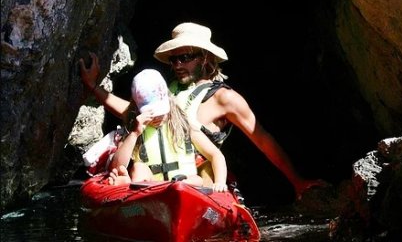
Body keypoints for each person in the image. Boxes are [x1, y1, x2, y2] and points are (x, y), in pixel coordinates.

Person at [79, 22, 327, 199]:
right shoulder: (166, 92)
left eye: (185, 57)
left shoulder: (225, 98)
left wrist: (296, 181)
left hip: (197, 180)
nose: (177, 65)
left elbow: (263, 140)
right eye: (173, 59)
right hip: (154, 181)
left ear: (205, 58)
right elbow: (131, 113)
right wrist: (93, 87)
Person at [101, 68, 228, 192]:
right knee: (138, 168)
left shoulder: (185, 126)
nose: (157, 117)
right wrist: (134, 133)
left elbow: (216, 155)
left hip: (185, 185)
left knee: (197, 180)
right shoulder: (134, 128)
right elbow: (117, 168)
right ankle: (131, 188)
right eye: (151, 113)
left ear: (169, 102)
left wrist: (220, 182)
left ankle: (168, 188)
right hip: (151, 188)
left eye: (161, 111)